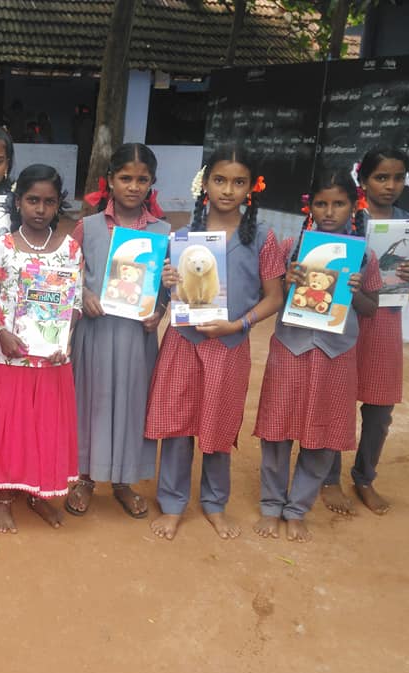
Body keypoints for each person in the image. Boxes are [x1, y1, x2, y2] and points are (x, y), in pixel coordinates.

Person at [144, 146, 284, 540]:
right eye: (220, 180)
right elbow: (170, 293)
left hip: (229, 345)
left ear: (250, 188)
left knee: (218, 426)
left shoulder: (262, 239)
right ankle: (172, 504)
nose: (228, 190)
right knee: (176, 424)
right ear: (205, 184)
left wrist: (238, 324)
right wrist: (169, 284)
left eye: (238, 182)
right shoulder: (184, 237)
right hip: (183, 342)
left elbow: (274, 297)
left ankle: (214, 504)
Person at [253, 168, 381, 542]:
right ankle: (271, 505)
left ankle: (298, 508)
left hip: (337, 355)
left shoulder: (363, 256)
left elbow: (371, 308)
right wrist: (287, 280)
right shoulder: (292, 246)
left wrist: (355, 291)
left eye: (338, 203)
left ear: (352, 206)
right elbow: (272, 297)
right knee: (277, 429)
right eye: (322, 203)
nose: (329, 211)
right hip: (290, 350)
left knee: (323, 435)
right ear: (310, 205)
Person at [0, 163, 81, 533]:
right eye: (32, 200)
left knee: (42, 427)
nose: (40, 209)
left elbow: (73, 304)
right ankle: (2, 497)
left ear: (58, 204)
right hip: (8, 355)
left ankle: (38, 494)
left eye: (48, 201)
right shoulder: (3, 246)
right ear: (18, 201)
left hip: (51, 360)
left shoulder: (71, 249)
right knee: (9, 428)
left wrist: (62, 341)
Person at [67, 143, 170, 520]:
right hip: (95, 333)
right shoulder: (89, 226)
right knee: (91, 401)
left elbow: (167, 286)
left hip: (136, 337)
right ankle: (85, 478)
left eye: (142, 179)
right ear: (109, 180)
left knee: (131, 403)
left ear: (152, 184)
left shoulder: (162, 232)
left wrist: (158, 311)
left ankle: (124, 481)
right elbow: (67, 273)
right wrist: (83, 293)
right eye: (125, 178)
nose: (133, 186)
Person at [320, 147, 409, 516]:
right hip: (343, 321)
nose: (390, 185)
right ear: (362, 180)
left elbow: (405, 270)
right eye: (381, 177)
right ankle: (328, 477)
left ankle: (364, 477)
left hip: (385, 322)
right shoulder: (346, 217)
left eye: (397, 178)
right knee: (337, 400)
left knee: (380, 409)